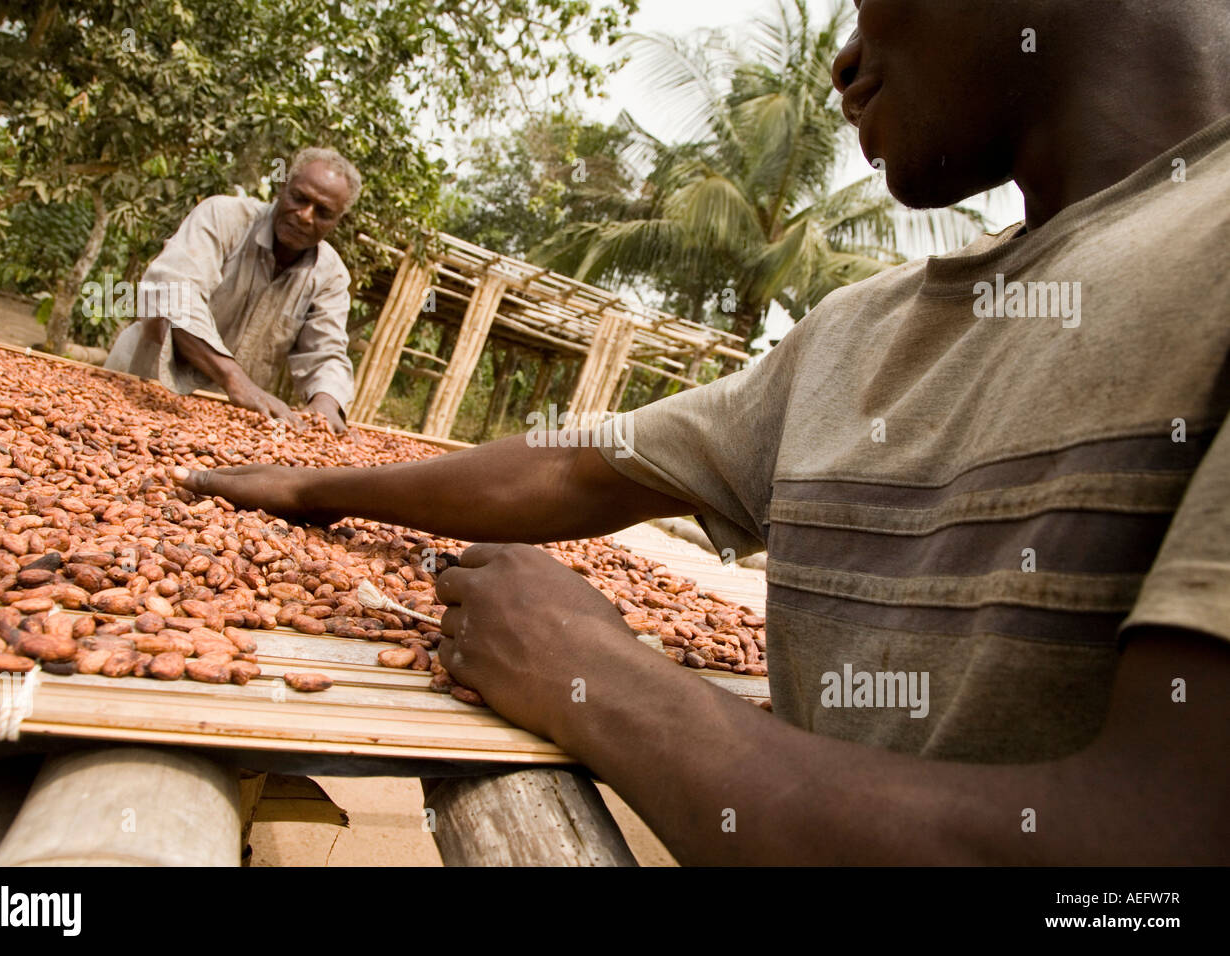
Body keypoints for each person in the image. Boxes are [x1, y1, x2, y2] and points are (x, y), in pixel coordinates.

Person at [172, 0, 1229, 864]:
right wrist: (319, 489)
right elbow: (577, 470)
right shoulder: (857, 331)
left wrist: (607, 684)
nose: (847, 61)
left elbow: (1154, 846)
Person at [105, 147, 359, 434]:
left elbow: (326, 353)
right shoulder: (223, 217)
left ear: (338, 221)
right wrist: (235, 380)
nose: (305, 216)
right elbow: (173, 293)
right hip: (143, 383)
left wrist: (325, 404)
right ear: (282, 187)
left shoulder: (331, 276)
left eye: (323, 212)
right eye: (299, 198)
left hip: (222, 418)